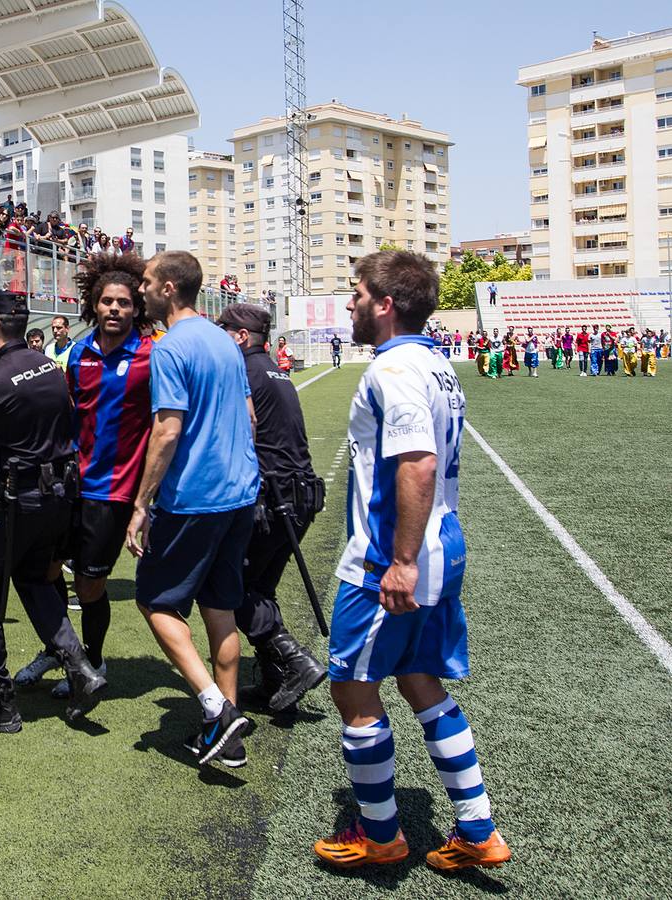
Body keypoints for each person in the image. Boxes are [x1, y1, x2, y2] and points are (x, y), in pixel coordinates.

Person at [313, 250, 511, 872]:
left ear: (384, 303)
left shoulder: (395, 368)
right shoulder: (435, 363)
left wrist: (398, 561)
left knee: (350, 684)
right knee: (421, 680)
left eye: (356, 292)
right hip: (444, 543)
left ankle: (381, 836)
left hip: (392, 555)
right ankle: (478, 830)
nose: (350, 303)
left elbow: (418, 462)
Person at [126, 251, 260, 768]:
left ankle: (214, 708)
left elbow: (168, 429)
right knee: (220, 609)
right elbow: (248, 418)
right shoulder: (226, 342)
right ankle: (224, 733)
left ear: (167, 288)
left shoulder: (171, 347)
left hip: (194, 497)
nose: (140, 290)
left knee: (155, 601)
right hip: (238, 493)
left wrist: (142, 503)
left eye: (145, 282)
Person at [0, 291, 106, 733]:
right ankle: (80, 667)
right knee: (37, 580)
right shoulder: (49, 367)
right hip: (58, 493)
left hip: (17, 498)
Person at [20, 252, 153, 699]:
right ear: (93, 305)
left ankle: (93, 661)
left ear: (137, 309)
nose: (115, 309)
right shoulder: (79, 353)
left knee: (91, 585)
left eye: (124, 303)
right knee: (46, 568)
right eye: (107, 301)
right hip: (69, 484)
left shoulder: (152, 355)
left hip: (114, 491)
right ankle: (59, 650)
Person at [215, 303, 327, 713]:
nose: (219, 336)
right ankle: (275, 681)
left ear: (242, 337)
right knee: (260, 588)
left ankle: (294, 661)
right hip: (299, 496)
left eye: (224, 329)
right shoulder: (275, 371)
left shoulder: (242, 372)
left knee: (232, 588)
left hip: (273, 499)